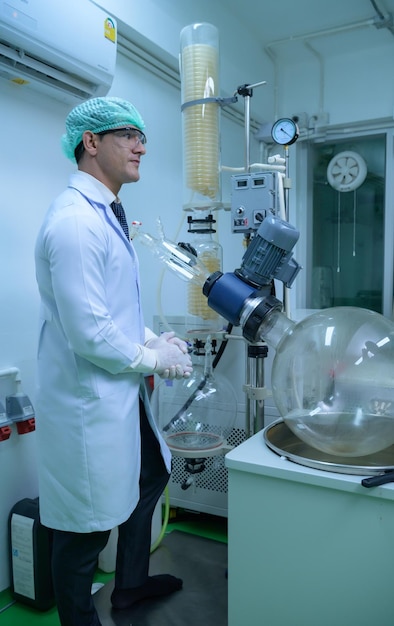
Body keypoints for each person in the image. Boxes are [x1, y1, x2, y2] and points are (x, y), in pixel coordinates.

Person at [34, 96, 193, 626]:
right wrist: (155, 359)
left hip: (121, 396)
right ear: (92, 142)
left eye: (141, 135)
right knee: (85, 531)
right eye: (129, 134)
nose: (141, 146)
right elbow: (91, 334)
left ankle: (129, 587)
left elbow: (117, 312)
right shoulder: (76, 223)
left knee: (150, 477)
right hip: (90, 403)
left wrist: (157, 340)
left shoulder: (107, 214)